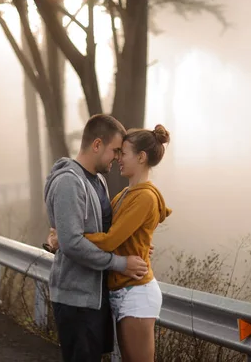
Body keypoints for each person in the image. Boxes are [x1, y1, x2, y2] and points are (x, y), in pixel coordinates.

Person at [48, 124, 172, 362]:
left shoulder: (145, 196)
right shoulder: (122, 194)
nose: (118, 159)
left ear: (141, 157)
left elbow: (111, 239)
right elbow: (114, 235)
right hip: (119, 290)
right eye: (117, 152)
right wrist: (62, 237)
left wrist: (67, 239)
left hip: (136, 291)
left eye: (122, 153)